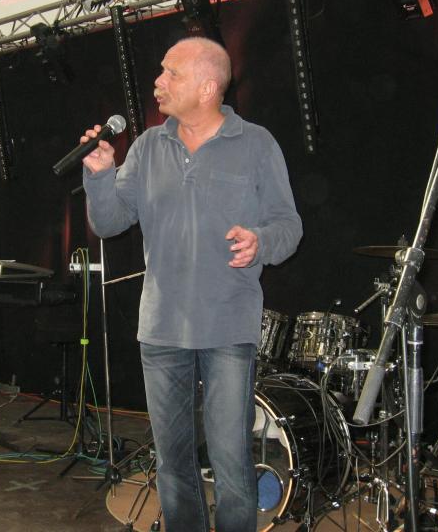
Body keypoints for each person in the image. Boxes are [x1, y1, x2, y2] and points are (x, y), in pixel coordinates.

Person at [80, 37, 302, 532]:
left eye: (171, 73)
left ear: (207, 87)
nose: (158, 82)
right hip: (161, 329)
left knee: (232, 464)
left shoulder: (256, 144)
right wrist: (99, 176)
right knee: (174, 465)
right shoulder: (146, 147)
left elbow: (289, 227)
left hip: (228, 326)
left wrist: (261, 241)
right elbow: (110, 222)